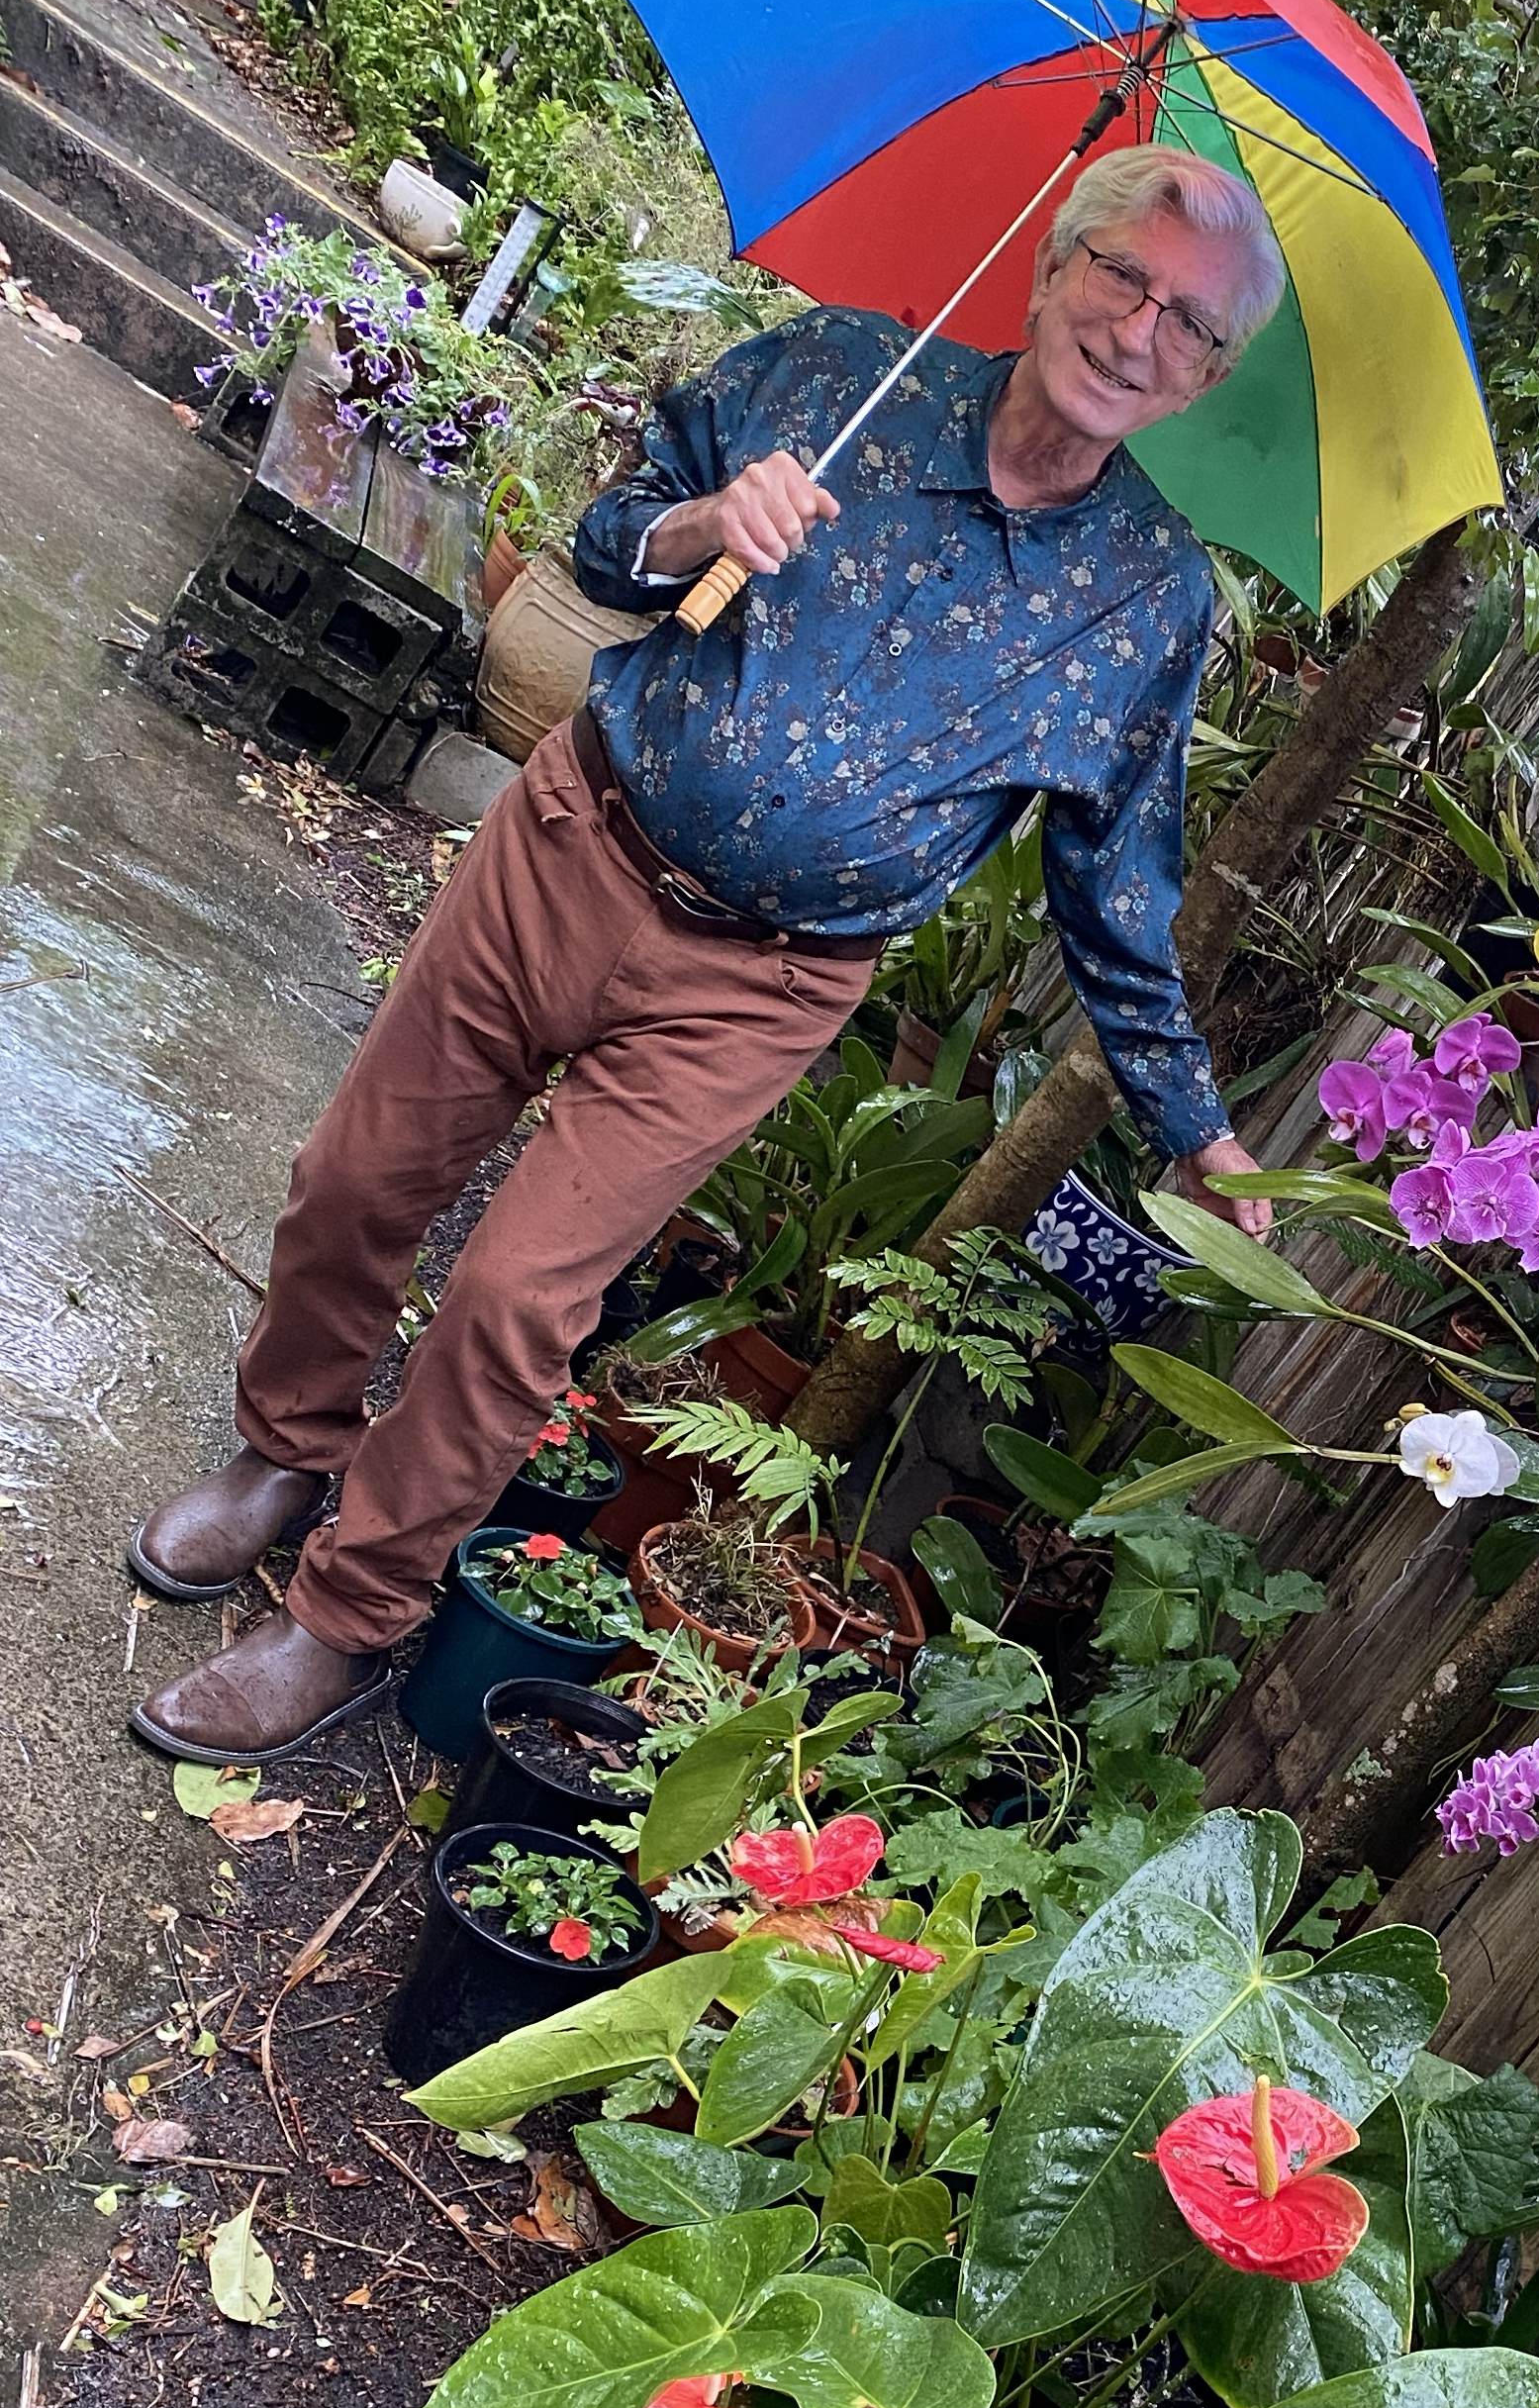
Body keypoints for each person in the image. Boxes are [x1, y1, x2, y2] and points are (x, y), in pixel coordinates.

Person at [128, 141, 1285, 1764]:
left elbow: (1120, 890)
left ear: (1201, 380)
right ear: (1052, 264)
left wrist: (1202, 1134)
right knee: (356, 1178)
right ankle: (283, 1447)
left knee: (517, 1300)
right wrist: (698, 527)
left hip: (758, 987)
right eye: (1123, 277)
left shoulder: (1147, 601)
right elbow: (601, 541)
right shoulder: (839, 377)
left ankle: (346, 1616)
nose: (1138, 331)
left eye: (1190, 325)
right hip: (570, 842)